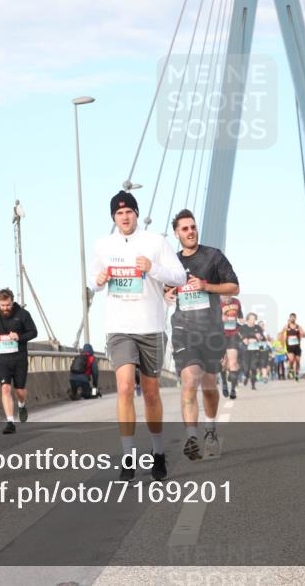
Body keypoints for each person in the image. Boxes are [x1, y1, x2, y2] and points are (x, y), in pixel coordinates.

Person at [92, 191, 186, 481]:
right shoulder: (103, 245)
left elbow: (180, 276)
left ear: (136, 213)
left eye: (129, 212)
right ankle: (128, 455)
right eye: (119, 213)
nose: (125, 216)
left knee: (150, 392)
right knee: (123, 388)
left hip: (152, 327)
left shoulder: (156, 242)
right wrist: (98, 281)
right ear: (113, 218)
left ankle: (158, 453)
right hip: (119, 328)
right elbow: (93, 282)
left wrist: (153, 268)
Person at [164, 209, 238, 461]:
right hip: (184, 331)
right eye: (184, 228)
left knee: (208, 385)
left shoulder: (213, 256)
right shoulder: (172, 263)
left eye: (192, 227)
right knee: (189, 381)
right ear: (177, 233)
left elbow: (234, 286)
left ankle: (210, 430)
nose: (190, 231)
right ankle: (192, 437)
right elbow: (163, 286)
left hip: (211, 331)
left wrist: (207, 286)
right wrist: (167, 293)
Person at [0, 288, 38, 433]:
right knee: (5, 388)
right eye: (2, 305)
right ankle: (10, 422)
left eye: (7, 305)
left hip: (19, 358)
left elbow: (33, 332)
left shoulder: (23, 314)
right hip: (2, 359)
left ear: (12, 301)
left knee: (19, 390)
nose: (5, 308)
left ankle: (21, 405)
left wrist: (19, 336)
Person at [220, 295, 242, 399]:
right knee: (223, 364)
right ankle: (224, 384)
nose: (227, 298)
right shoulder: (215, 302)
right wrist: (219, 319)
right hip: (220, 335)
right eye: (225, 296)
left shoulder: (237, 302)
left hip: (233, 334)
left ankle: (233, 390)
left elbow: (240, 315)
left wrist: (242, 321)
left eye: (229, 295)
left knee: (233, 362)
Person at [238, 313, 262, 391]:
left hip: (255, 351)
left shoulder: (258, 327)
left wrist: (258, 337)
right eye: (251, 319)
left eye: (254, 319)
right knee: (246, 369)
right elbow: (243, 338)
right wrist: (246, 338)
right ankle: (246, 376)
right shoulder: (243, 328)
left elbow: (260, 337)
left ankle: (253, 385)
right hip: (245, 351)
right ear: (247, 319)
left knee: (254, 367)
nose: (253, 321)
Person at [283, 313, 305, 381]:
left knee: (298, 361)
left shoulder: (298, 326)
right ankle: (290, 370)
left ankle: (296, 374)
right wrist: (283, 344)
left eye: (294, 317)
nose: (292, 318)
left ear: (295, 318)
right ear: (289, 318)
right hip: (289, 347)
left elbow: (304, 334)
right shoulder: (286, 326)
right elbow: (282, 334)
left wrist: (303, 334)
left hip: (297, 346)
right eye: (291, 317)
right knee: (291, 360)